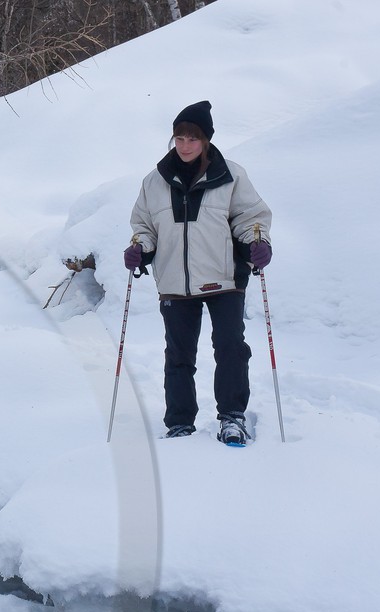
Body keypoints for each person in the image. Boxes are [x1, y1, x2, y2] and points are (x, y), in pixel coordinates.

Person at [124, 100, 272, 445]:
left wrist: (256, 242)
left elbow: (250, 218)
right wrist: (140, 247)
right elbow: (144, 225)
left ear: (205, 140)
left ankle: (232, 417)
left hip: (224, 277)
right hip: (175, 282)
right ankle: (179, 424)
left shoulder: (230, 175)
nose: (185, 145)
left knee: (230, 347)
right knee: (178, 356)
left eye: (193, 138)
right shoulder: (154, 181)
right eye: (179, 137)